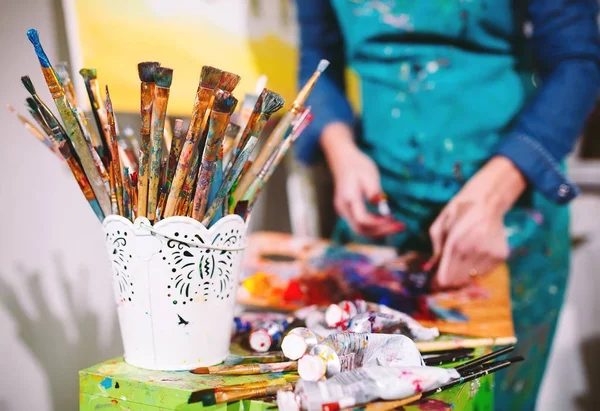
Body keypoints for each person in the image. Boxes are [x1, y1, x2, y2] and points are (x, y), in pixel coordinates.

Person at [295, 1, 600, 409]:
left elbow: (577, 63)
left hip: (508, 216)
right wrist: (341, 150)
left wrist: (496, 191)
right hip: (381, 227)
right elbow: (318, 61)